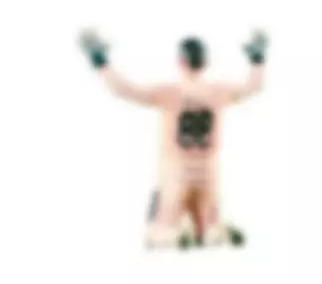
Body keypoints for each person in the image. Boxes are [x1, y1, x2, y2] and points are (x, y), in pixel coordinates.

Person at [78, 28, 268, 248]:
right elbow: (254, 87)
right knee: (208, 224)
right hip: (209, 174)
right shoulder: (220, 91)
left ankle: (174, 234)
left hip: (177, 174)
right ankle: (214, 232)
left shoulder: (168, 93)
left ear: (181, 61)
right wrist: (257, 58)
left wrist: (100, 60)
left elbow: (124, 90)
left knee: (158, 229)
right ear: (205, 62)